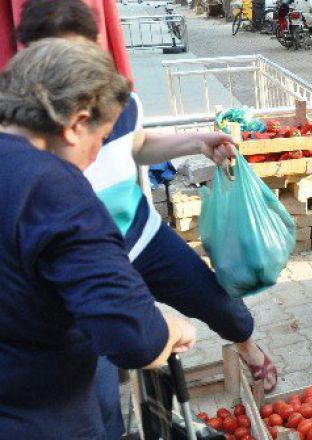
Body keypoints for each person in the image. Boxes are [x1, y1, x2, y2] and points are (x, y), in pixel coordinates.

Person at [17, 0, 276, 436]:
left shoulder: (118, 96)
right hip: (80, 267)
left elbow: (136, 144)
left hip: (141, 235)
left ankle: (250, 350)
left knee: (217, 302)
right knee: (97, 393)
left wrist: (196, 141)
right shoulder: (26, 134)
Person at [0, 38, 198, 439]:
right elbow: (134, 338)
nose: (96, 156)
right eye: (101, 139)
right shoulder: (56, 191)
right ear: (76, 125)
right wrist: (172, 327)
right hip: (38, 419)